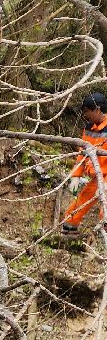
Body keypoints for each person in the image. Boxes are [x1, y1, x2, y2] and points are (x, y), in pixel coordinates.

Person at [62, 91, 107, 235]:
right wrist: (76, 176)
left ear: (97, 109)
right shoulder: (88, 128)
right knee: (80, 202)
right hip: (96, 176)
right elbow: (82, 153)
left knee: (105, 211)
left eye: (87, 111)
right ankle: (69, 230)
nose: (85, 115)